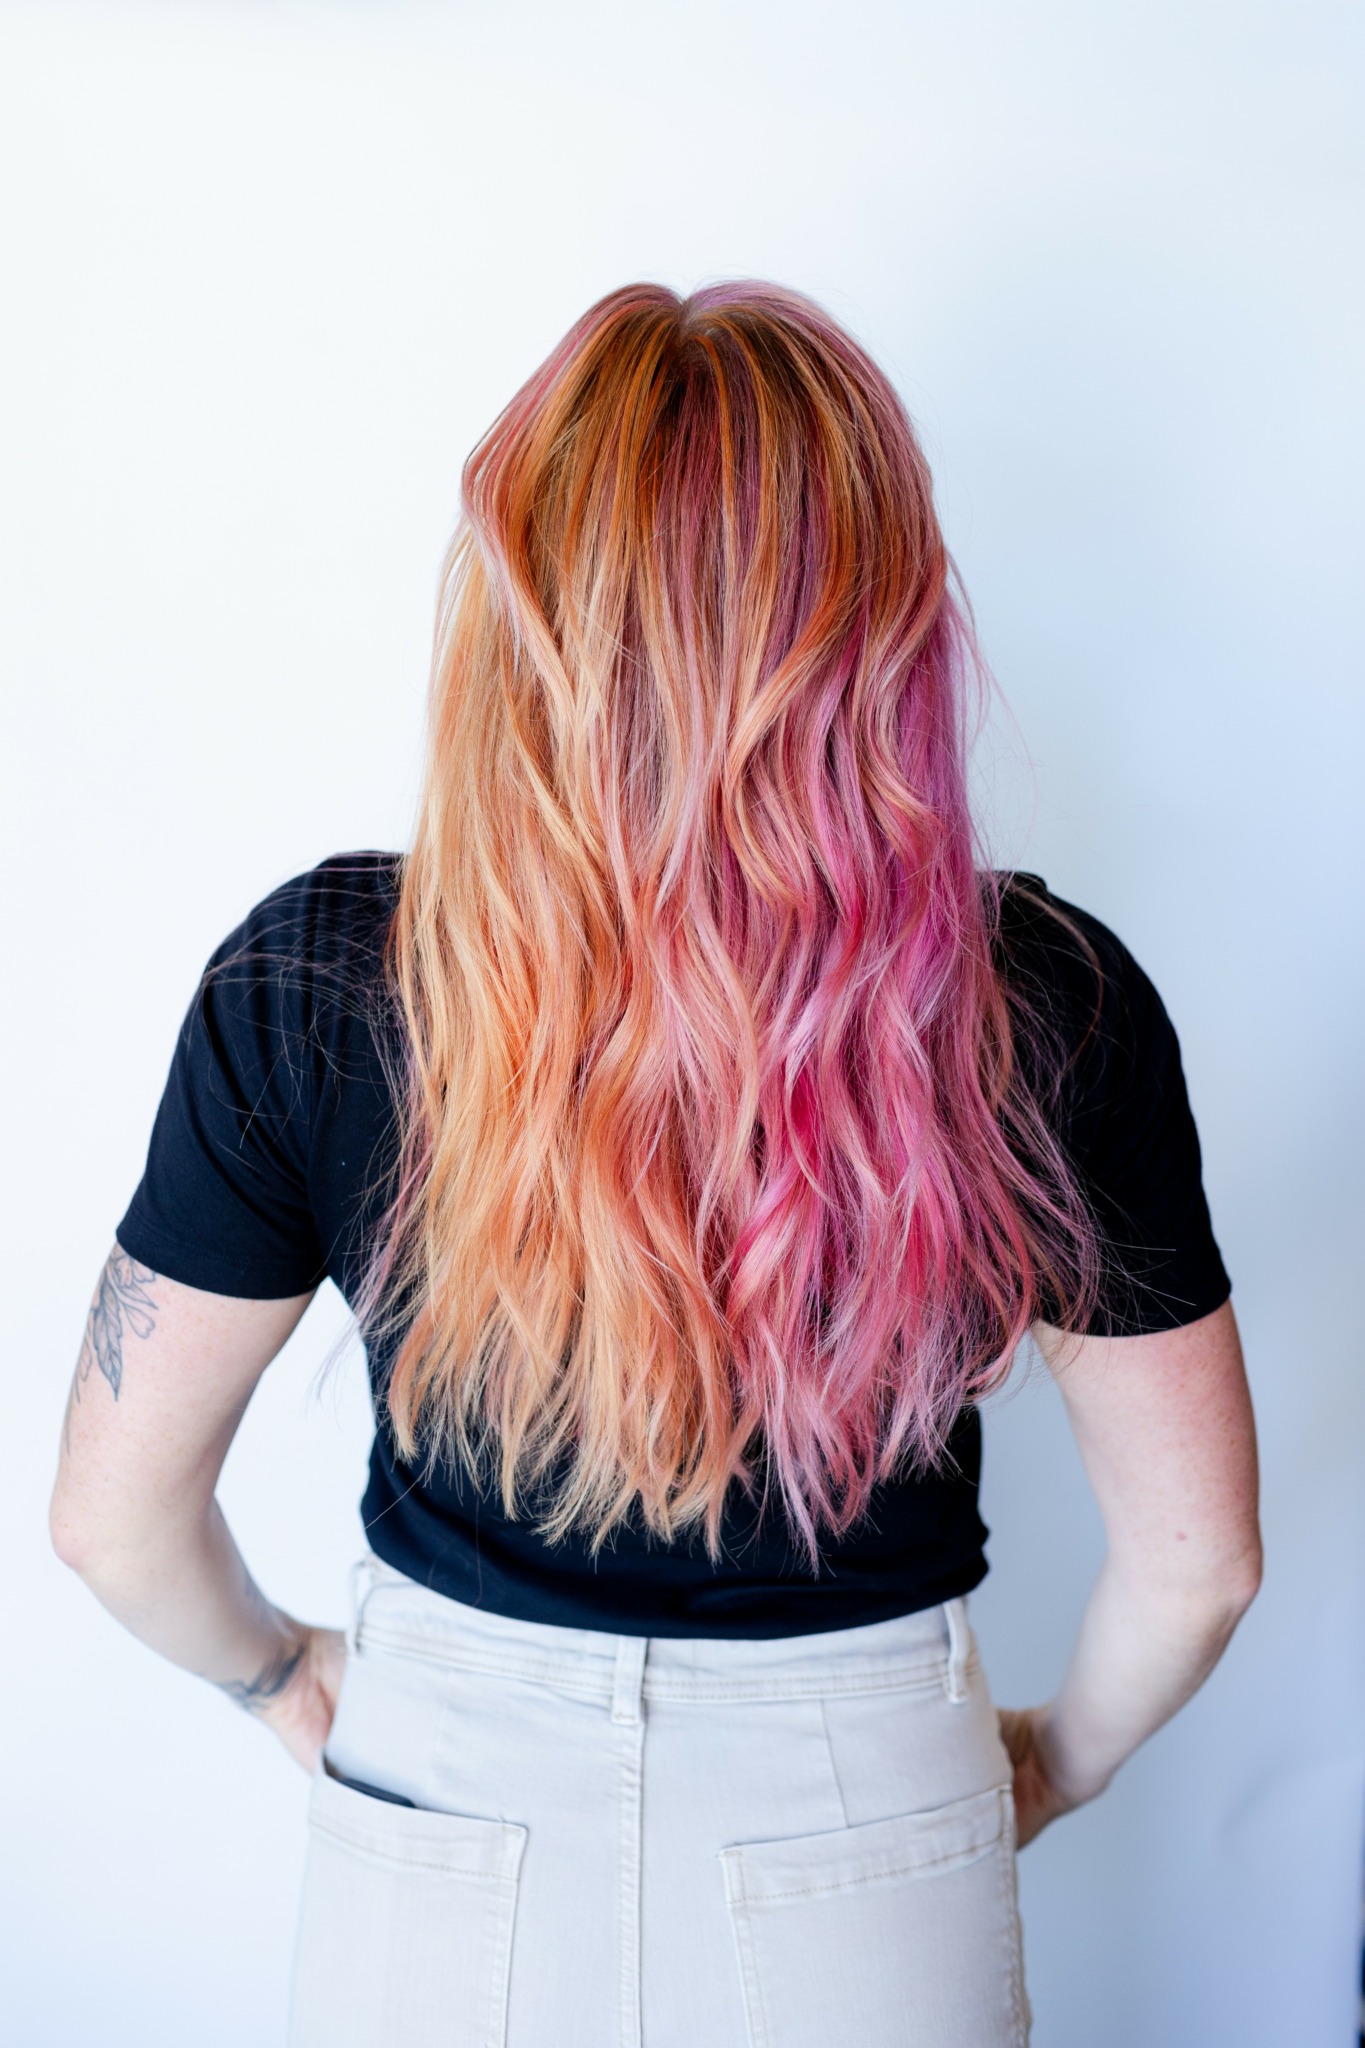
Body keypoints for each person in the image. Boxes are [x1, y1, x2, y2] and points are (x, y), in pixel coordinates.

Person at [49, 281, 1261, 2048]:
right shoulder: (1042, 1007)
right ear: (884, 630)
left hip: (438, 1811)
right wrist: (1050, 1768)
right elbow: (1198, 1565)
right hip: (868, 1815)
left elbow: (108, 1517)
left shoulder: (319, 983)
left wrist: (279, 1674)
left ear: (519, 619)